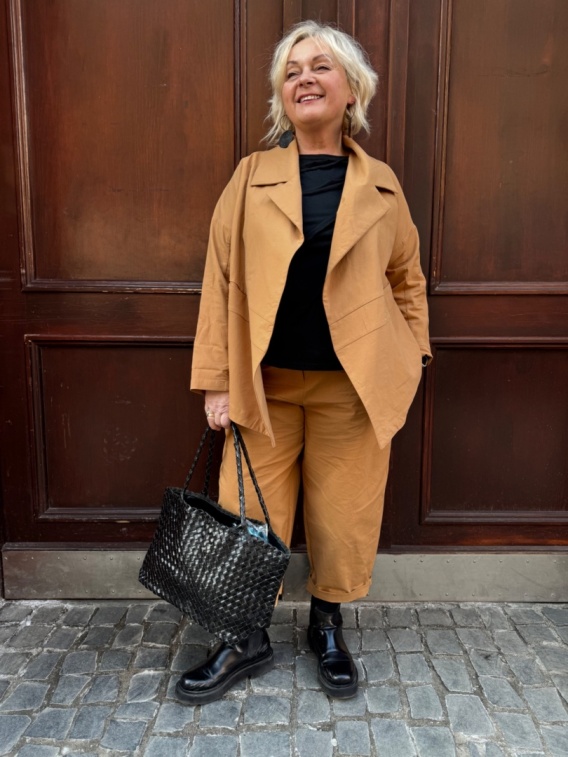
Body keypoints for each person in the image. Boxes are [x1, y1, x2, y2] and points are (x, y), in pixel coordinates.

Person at [176, 20, 431, 705]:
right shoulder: (250, 177)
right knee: (247, 514)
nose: (305, 79)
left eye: (320, 67)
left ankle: (326, 625)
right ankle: (243, 634)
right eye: (292, 72)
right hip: (264, 386)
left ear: (351, 90)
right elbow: (219, 280)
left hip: (353, 388)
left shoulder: (381, 186)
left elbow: (407, 280)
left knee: (343, 515)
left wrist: (411, 354)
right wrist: (217, 380)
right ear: (281, 97)